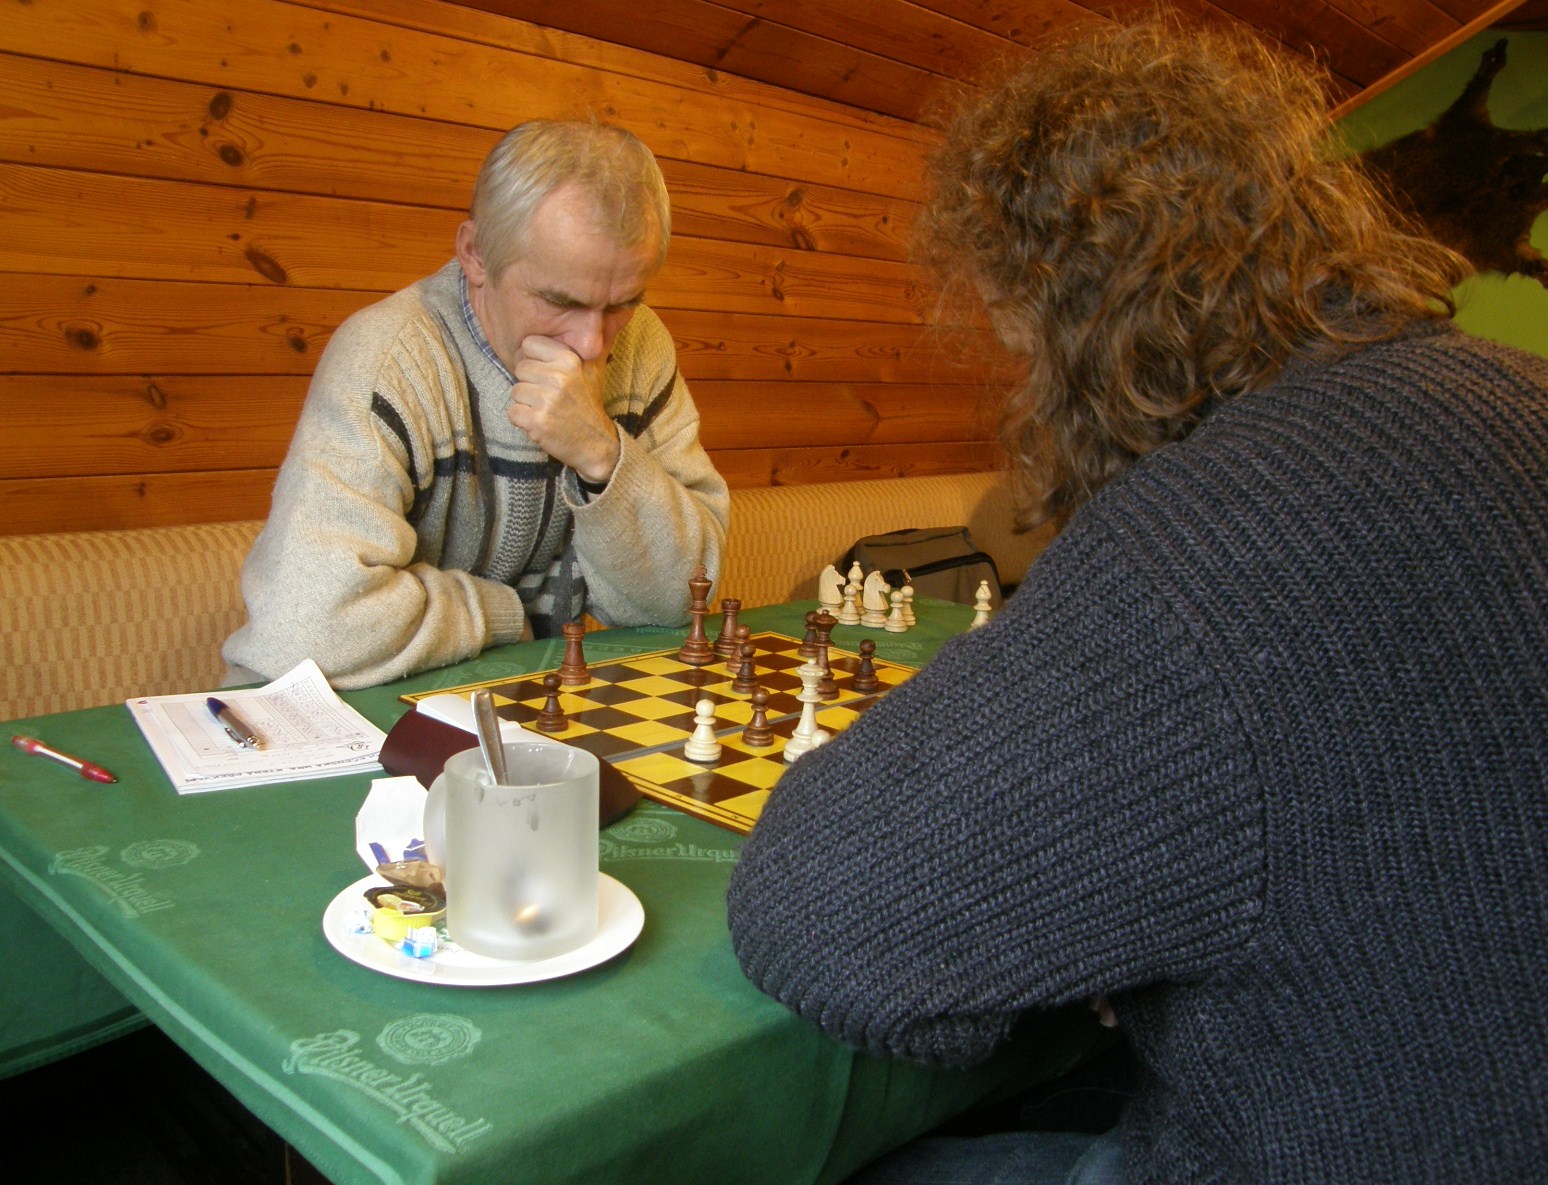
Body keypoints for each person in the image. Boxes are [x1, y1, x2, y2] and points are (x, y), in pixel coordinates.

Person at [727, 16, 1548, 1185]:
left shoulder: (1198, 547)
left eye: (1027, 354)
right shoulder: (1523, 394)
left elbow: (819, 919)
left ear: (1077, 323)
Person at [223, 120, 729, 689]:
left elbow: (684, 597)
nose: (592, 344)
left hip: (510, 697)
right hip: (326, 710)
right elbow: (307, 627)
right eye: (560, 301)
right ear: (475, 255)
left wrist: (602, 454)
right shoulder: (387, 355)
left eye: (622, 304)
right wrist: (504, 615)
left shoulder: (642, 345)